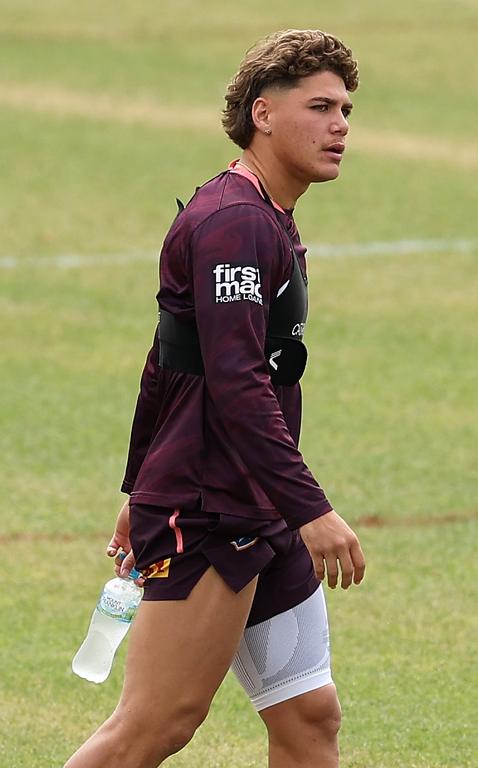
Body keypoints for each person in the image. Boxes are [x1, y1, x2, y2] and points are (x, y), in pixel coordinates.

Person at [66, 29, 366, 768]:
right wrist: (312, 510)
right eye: (321, 106)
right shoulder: (233, 225)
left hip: (254, 504)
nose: (341, 127)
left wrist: (138, 485)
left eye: (348, 110)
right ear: (263, 114)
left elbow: (168, 361)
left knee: (308, 717)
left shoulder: (266, 215)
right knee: (155, 725)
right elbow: (237, 384)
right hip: (212, 509)